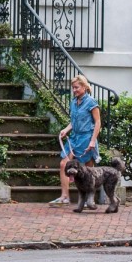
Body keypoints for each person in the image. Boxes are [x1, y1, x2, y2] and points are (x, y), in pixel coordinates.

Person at [51, 74, 101, 207]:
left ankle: (90, 199)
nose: (74, 90)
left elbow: (97, 123)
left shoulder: (91, 102)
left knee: (89, 169)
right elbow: (73, 122)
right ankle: (65, 196)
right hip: (74, 137)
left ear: (84, 87)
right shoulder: (73, 102)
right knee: (64, 164)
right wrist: (65, 129)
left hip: (86, 137)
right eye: (73, 88)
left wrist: (92, 141)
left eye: (77, 87)